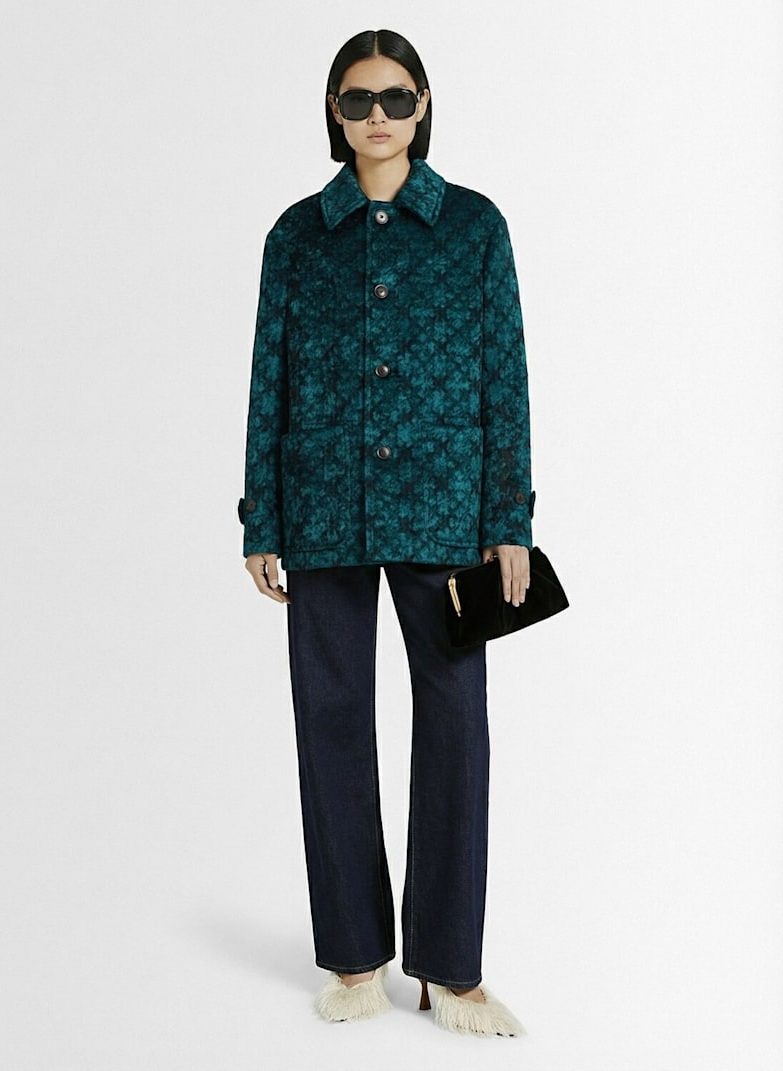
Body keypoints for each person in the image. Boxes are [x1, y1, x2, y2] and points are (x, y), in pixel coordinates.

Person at [238, 28, 535, 1038]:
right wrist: (262, 515)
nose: (377, 116)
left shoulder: (474, 226)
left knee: (455, 723)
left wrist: (508, 519)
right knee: (329, 719)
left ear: (423, 106)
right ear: (334, 111)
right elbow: (268, 381)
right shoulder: (296, 235)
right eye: (358, 99)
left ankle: (450, 970)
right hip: (321, 503)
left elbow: (505, 379)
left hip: (446, 506)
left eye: (396, 98)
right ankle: (354, 956)